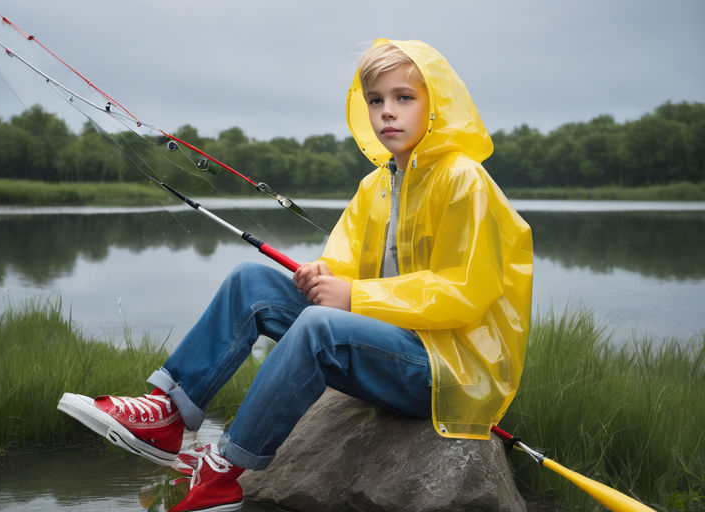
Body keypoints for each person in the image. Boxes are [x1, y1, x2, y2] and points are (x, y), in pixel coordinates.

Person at [58, 38, 533, 512]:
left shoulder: (463, 180)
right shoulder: (376, 185)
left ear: (437, 106)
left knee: (318, 327)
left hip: (449, 370)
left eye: (404, 98)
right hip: (388, 345)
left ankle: (224, 468)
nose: (387, 111)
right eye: (376, 100)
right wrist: (321, 275)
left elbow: (465, 292)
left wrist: (354, 295)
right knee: (251, 281)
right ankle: (168, 413)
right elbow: (342, 265)